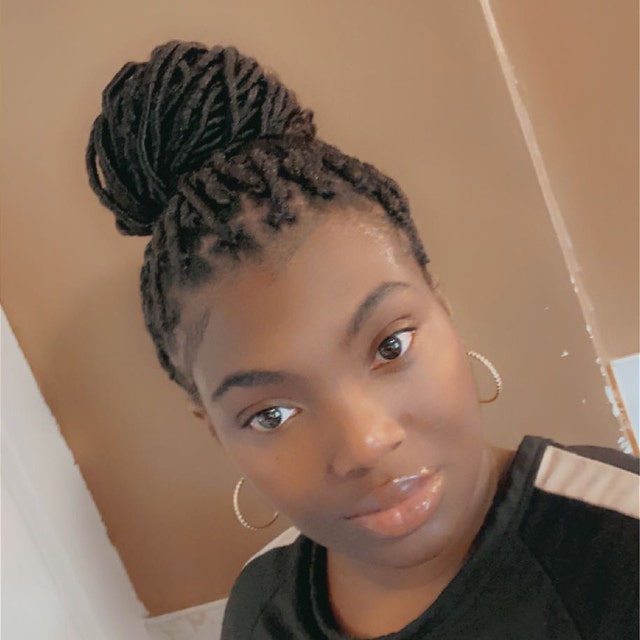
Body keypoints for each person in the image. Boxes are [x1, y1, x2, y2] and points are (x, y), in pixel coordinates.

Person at [86, 41, 638, 640]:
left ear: (441, 308)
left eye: (390, 347)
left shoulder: (622, 545)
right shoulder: (262, 609)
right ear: (216, 430)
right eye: (271, 414)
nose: (365, 444)